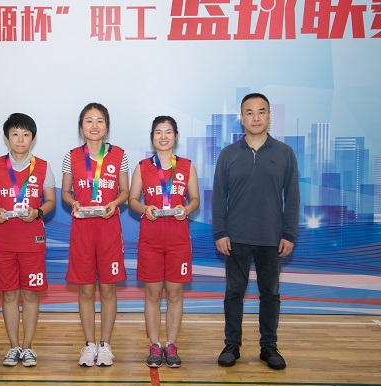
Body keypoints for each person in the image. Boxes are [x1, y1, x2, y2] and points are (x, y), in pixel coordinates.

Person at [212, 93, 300, 370]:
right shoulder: (228, 154)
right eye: (249, 112)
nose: (256, 117)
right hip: (235, 237)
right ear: (241, 118)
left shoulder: (285, 153)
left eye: (261, 112)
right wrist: (220, 232)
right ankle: (232, 345)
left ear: (269, 115)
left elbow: (293, 197)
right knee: (233, 293)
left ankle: (268, 346)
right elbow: (218, 196)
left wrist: (289, 234)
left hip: (272, 238)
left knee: (270, 294)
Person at [0, 113, 56, 367]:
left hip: (32, 241)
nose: (20, 139)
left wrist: (38, 212)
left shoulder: (43, 167)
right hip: (3, 241)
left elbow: (51, 201)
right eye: (15, 134)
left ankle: (28, 347)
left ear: (32, 138)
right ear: (7, 138)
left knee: (31, 295)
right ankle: (13, 347)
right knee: (9, 295)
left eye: (26, 134)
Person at [128, 116, 200, 368]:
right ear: (152, 137)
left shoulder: (187, 166)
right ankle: (155, 345)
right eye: (158, 132)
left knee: (175, 294)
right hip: (151, 239)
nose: (163, 137)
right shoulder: (142, 167)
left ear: (176, 136)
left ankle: (171, 344)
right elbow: (132, 200)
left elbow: (195, 199)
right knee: (152, 293)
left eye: (168, 132)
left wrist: (186, 209)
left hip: (178, 239)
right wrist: (144, 208)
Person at [61, 102, 129, 367]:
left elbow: (125, 191)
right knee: (86, 289)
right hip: (82, 228)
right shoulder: (71, 156)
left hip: (109, 226)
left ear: (107, 126)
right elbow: (65, 192)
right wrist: (74, 203)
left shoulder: (120, 154)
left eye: (99, 120)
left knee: (109, 288)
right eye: (88, 120)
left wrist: (116, 202)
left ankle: (105, 345)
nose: (94, 126)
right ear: (81, 127)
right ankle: (89, 345)